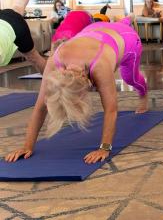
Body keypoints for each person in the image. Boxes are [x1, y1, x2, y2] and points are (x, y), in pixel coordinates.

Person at [4, 17, 148, 164]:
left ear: (83, 93)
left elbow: (111, 109)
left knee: (131, 78)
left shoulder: (100, 66)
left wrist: (104, 148)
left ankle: (143, 94)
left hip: (126, 37)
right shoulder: (55, 62)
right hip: (94, 30)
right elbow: (40, 107)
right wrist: (27, 146)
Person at [0, 0, 46, 72]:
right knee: (17, 7)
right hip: (8, 20)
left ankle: (52, 84)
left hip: (15, 26)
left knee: (34, 58)